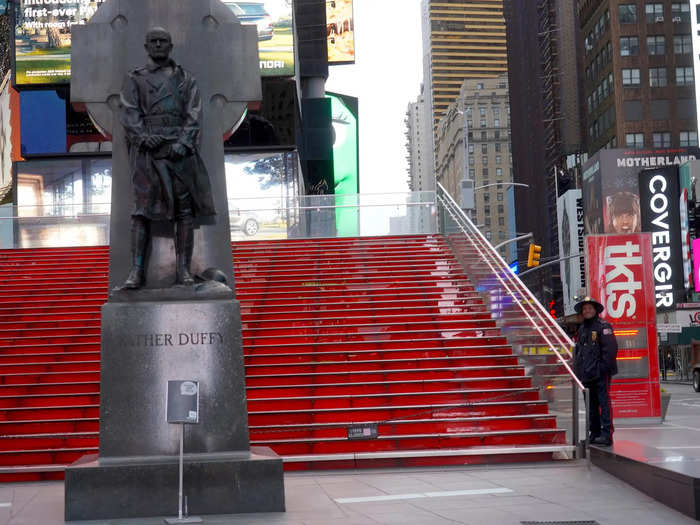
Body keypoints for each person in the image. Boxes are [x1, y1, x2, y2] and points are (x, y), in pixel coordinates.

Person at [119, 27, 216, 288]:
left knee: (184, 212)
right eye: (154, 41)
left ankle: (183, 270)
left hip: (178, 153)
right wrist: (142, 136)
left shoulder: (186, 79)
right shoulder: (135, 79)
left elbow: (194, 114)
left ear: (171, 46)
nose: (159, 45)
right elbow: (128, 113)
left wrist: (184, 143)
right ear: (146, 46)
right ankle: (136, 272)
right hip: (147, 154)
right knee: (141, 212)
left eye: (163, 41)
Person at [573, 296, 618, 446]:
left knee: (603, 403)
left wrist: (602, 369)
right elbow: (579, 353)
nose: (586, 311)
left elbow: (610, 351)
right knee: (590, 406)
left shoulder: (603, 326)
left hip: (600, 373)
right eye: (584, 309)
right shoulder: (582, 329)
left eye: (589, 308)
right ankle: (594, 433)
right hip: (586, 374)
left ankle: (607, 435)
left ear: (595, 310)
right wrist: (578, 373)